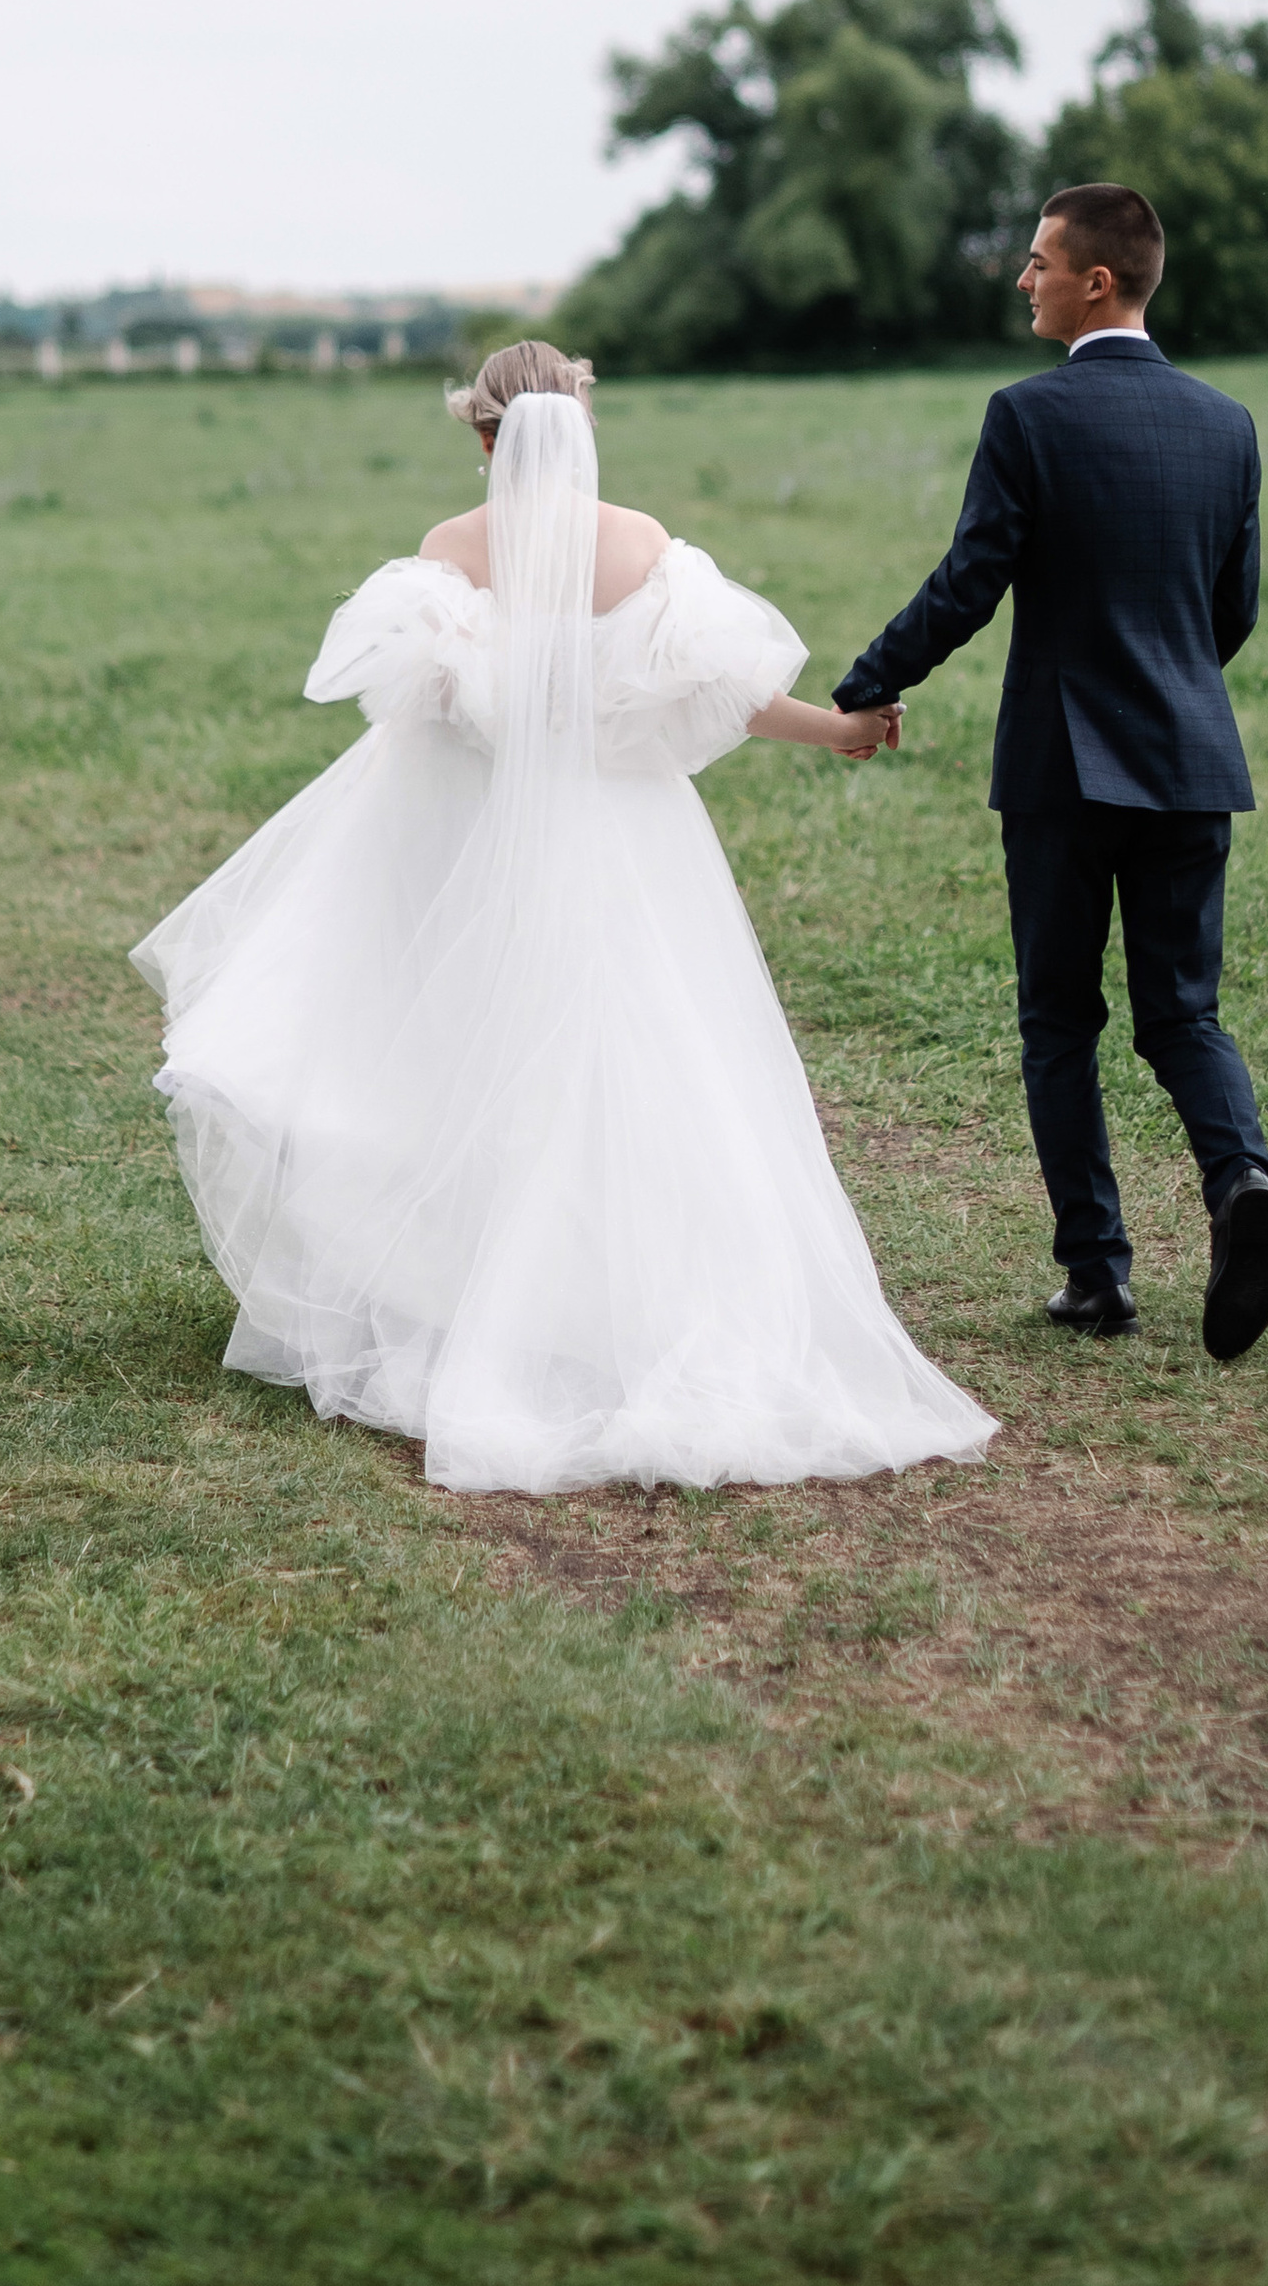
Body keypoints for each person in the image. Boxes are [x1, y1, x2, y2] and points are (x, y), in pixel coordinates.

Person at [132, 341, 995, 1494]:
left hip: (470, 846)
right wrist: (839, 729)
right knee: (641, 1065)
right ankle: (622, 1306)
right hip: (623, 848)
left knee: (447, 1058)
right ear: (580, 425)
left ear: (483, 436)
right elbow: (726, 697)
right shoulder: (640, 548)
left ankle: (455, 1300)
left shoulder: (449, 552)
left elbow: (418, 716)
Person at [830, 186, 1268, 1360]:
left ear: (1096, 281)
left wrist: (869, 679)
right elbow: (1226, 614)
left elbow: (968, 582)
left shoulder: (1027, 416)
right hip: (1190, 762)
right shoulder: (1226, 424)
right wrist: (1170, 689)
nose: (1021, 281)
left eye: (1037, 264)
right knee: (1182, 1014)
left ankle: (1097, 1275)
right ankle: (1239, 1182)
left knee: (1057, 1024)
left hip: (1062, 773)